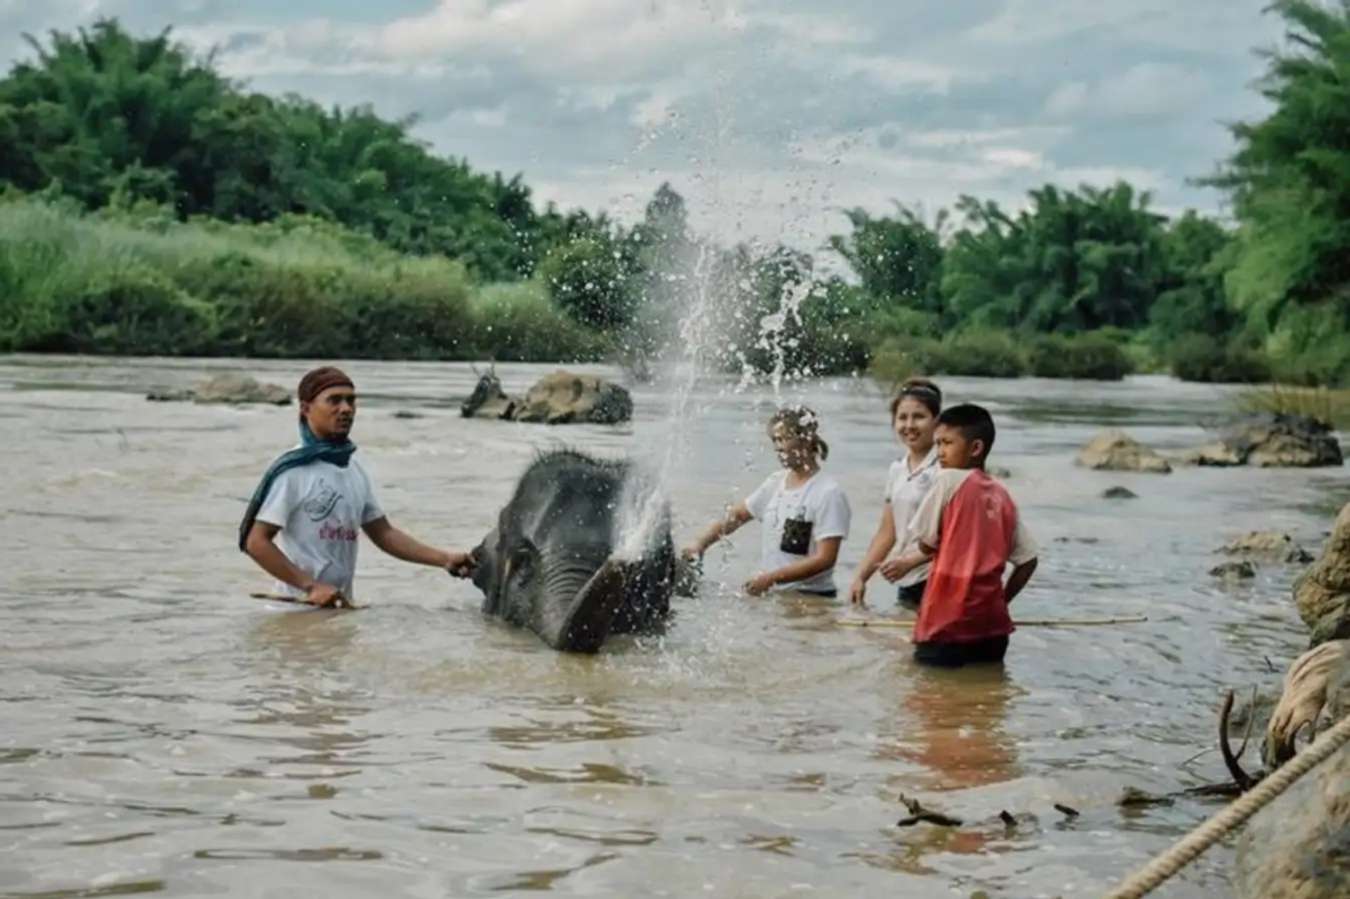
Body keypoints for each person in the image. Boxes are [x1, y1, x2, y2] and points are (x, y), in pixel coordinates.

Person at [239, 366, 474, 607]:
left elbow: (384, 533)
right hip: (295, 610)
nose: (346, 409)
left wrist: (444, 559)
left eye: (351, 401)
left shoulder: (353, 468)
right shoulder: (292, 471)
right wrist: (310, 586)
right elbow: (256, 542)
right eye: (334, 400)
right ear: (306, 408)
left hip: (338, 608)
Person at [882, 404, 1038, 667]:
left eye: (946, 443)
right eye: (937, 444)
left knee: (930, 699)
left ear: (975, 448)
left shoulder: (947, 480)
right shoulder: (1002, 496)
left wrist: (906, 562)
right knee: (986, 700)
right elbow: (1028, 560)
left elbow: (928, 542)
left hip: (946, 624)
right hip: (993, 630)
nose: (939, 452)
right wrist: (1001, 603)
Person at [682, 405, 851, 597]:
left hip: (811, 598)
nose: (778, 447)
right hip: (775, 595)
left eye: (784, 439)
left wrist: (771, 578)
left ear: (806, 439)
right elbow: (738, 515)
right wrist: (700, 543)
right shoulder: (776, 482)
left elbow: (825, 559)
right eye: (775, 440)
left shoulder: (828, 493)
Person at [849, 378, 942, 609]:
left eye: (918, 417)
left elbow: (954, 534)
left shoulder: (944, 468)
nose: (909, 425)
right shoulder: (897, 469)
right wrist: (861, 577)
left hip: (939, 579)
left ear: (937, 422)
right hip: (907, 578)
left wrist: (911, 561)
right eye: (902, 418)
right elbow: (887, 532)